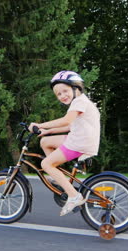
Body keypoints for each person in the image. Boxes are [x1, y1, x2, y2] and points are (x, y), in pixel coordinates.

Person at [29, 70, 100, 216]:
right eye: (58, 94)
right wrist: (47, 132)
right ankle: (60, 178)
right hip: (79, 138)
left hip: (80, 142)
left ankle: (74, 196)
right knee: (45, 142)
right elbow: (70, 126)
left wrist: (41, 125)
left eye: (65, 91)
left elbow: (66, 121)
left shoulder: (80, 102)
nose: (62, 96)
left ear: (76, 88)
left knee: (46, 164)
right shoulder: (80, 102)